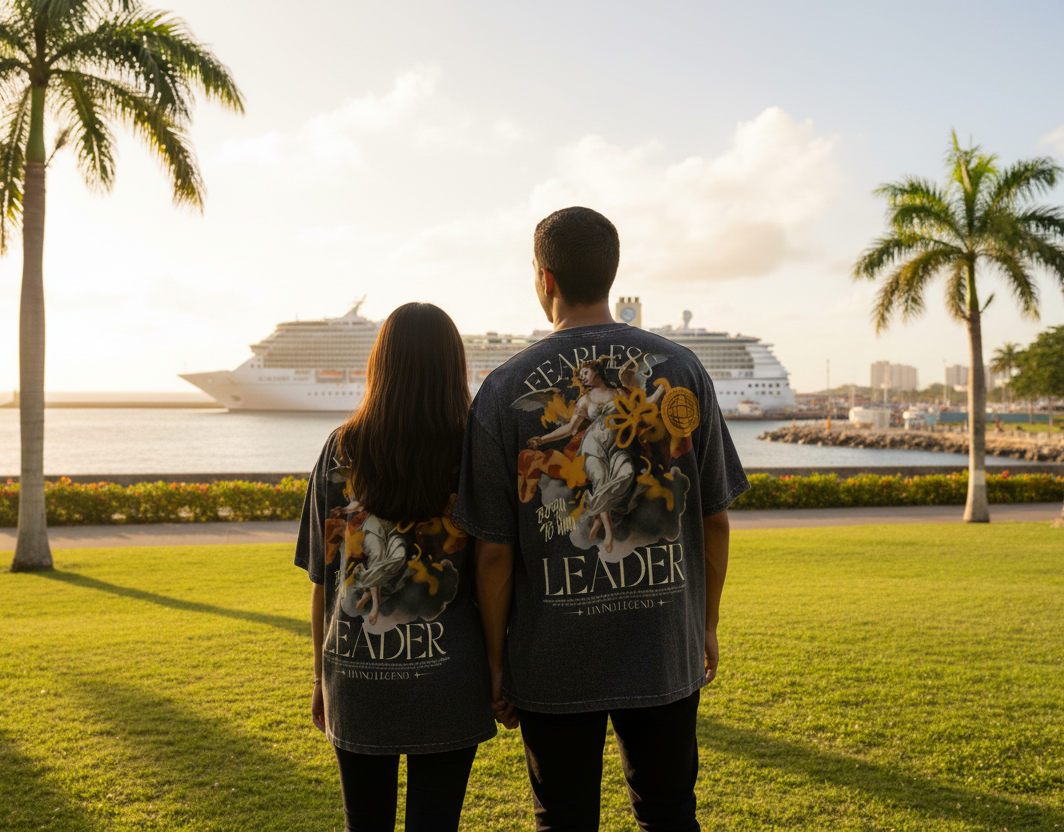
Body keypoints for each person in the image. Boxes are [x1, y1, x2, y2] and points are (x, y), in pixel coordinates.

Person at [453, 206, 750, 831]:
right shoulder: (685, 369)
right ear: (612, 274)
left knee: (562, 821)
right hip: (664, 641)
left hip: (551, 655)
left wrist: (497, 660)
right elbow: (714, 517)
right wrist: (706, 623)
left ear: (544, 279)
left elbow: (495, 552)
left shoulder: (501, 391)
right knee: (669, 814)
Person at [297, 302, 496, 832]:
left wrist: (320, 677)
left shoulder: (340, 449)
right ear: (454, 367)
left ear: (379, 364)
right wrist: (500, 669)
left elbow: (323, 580)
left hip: (357, 676)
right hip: (449, 678)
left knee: (364, 823)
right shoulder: (475, 450)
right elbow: (494, 570)